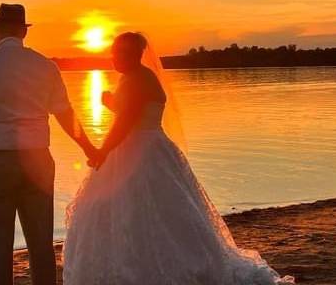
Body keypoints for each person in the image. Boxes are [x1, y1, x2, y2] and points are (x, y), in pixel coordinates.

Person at [63, 32, 295, 285]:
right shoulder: (140, 78)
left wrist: (101, 152)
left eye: (120, 53)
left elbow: (125, 123)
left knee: (139, 209)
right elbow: (133, 113)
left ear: (134, 54)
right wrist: (111, 103)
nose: (115, 58)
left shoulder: (135, 79)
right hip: (151, 147)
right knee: (149, 210)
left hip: (138, 152)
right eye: (114, 52)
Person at [0, 3, 98, 285]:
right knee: (41, 244)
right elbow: (65, 114)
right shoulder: (45, 66)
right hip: (37, 159)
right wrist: (89, 149)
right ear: (23, 32)